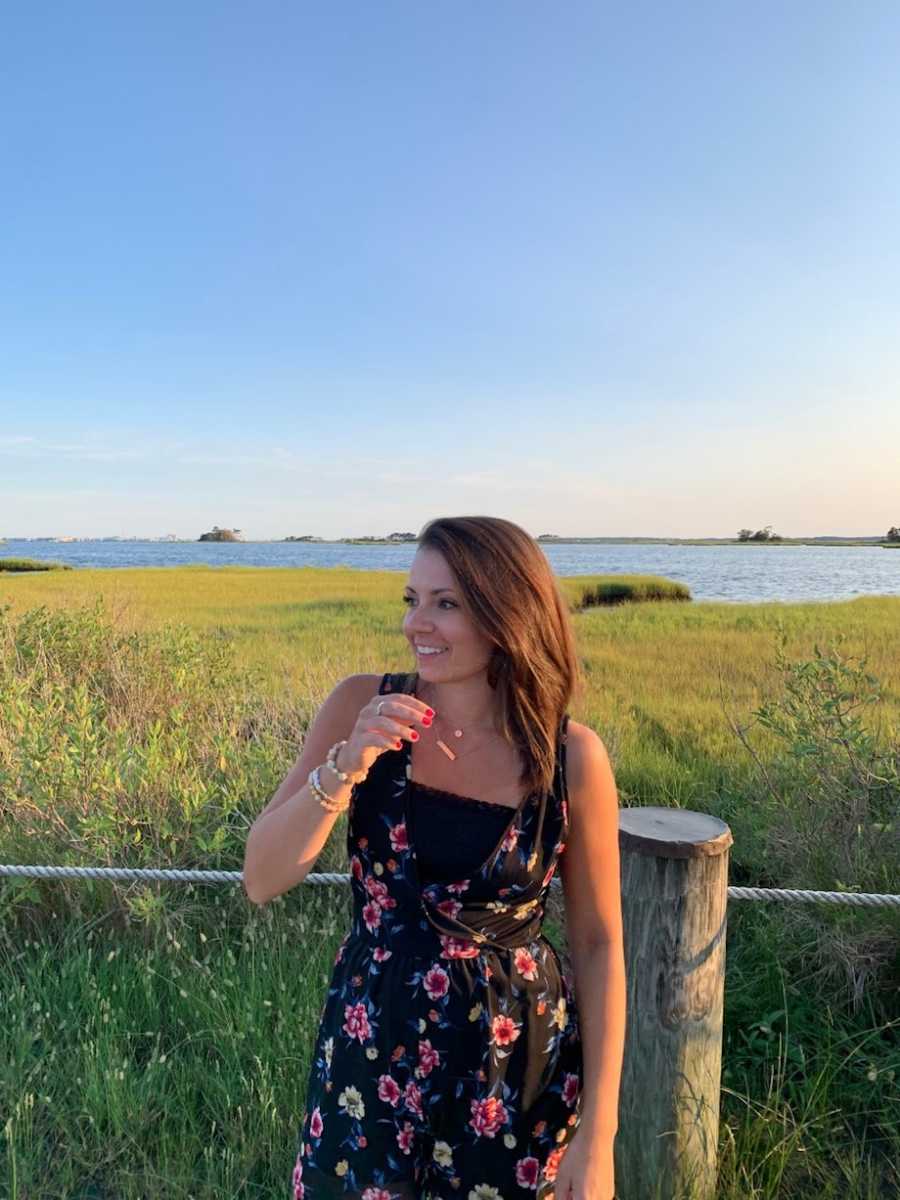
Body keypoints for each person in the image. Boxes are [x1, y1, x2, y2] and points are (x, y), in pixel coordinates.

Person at [243, 516, 626, 1200]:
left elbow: (597, 945)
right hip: (371, 1058)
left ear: (509, 611)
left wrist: (599, 1135)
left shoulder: (571, 758)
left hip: (517, 1076)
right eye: (412, 599)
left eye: (446, 603)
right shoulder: (363, 705)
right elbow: (263, 877)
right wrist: (346, 767)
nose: (418, 623)